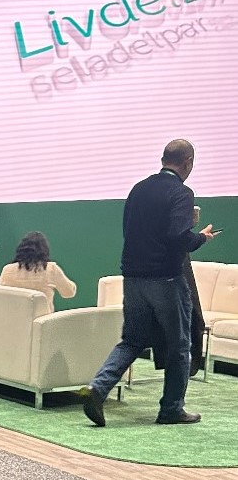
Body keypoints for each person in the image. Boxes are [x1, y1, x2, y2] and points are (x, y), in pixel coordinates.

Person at [83, 139, 220, 427]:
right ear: (188, 163)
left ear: (162, 159)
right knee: (180, 345)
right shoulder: (181, 193)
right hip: (166, 279)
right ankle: (171, 409)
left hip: (133, 277)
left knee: (131, 340)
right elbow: (177, 236)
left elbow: (129, 230)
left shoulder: (138, 189)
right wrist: (200, 238)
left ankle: (99, 387)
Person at [0, 231, 77, 311]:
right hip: (42, 321)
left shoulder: (7, 269)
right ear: (45, 250)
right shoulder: (51, 269)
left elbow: (1, 296)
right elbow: (69, 292)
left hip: (15, 320)